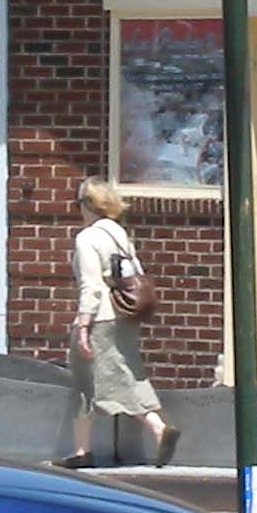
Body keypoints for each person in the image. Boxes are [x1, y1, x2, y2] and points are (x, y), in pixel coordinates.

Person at [64, 178, 174, 469]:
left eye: (79, 204)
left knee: (90, 382)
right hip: (123, 317)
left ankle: (155, 429)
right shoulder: (120, 236)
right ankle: (82, 450)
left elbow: (92, 286)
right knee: (126, 372)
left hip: (99, 318)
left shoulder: (87, 238)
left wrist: (84, 327)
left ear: (88, 206)